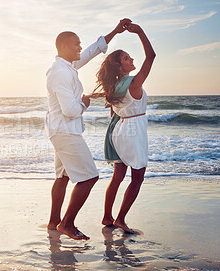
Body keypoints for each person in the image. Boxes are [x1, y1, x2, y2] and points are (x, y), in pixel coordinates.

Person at [45, 18, 132, 240]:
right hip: (66, 131)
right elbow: (71, 110)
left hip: (60, 130)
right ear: (64, 47)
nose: (80, 48)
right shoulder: (61, 72)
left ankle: (54, 222)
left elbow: (94, 50)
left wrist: (115, 32)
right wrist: (84, 101)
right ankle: (68, 224)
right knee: (89, 178)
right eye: (76, 44)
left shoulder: (68, 66)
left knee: (63, 177)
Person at [91, 23, 156, 233]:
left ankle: (107, 216)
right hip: (134, 131)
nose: (132, 60)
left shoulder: (115, 86)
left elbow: (113, 112)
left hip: (118, 131)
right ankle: (120, 219)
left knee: (118, 176)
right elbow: (151, 56)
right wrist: (140, 32)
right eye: (127, 58)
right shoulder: (133, 83)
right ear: (120, 67)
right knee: (137, 178)